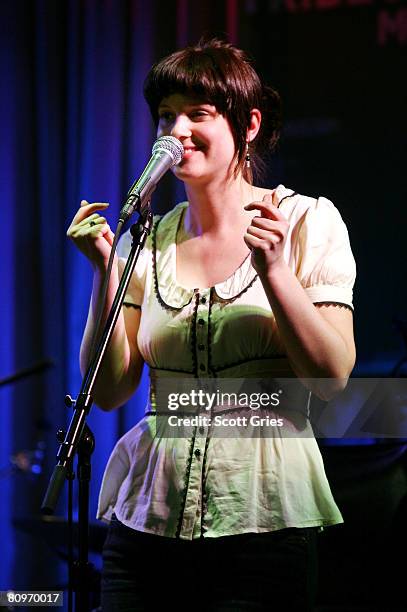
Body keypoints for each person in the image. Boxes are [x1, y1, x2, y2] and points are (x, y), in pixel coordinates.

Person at [67, 39, 356, 611]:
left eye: (197, 114)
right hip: (149, 518)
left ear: (248, 125)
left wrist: (274, 271)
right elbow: (108, 391)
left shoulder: (304, 222)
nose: (176, 130)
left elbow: (331, 377)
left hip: (263, 518)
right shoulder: (146, 239)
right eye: (166, 116)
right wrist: (105, 271)